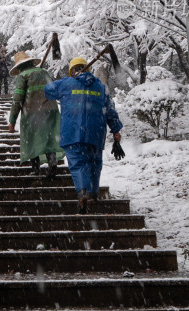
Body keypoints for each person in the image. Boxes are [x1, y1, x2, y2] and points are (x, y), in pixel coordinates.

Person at [44, 56, 124, 214]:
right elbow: (110, 110)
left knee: (78, 164)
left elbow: (48, 90)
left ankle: (83, 192)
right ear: (88, 69)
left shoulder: (65, 84)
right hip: (95, 133)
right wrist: (115, 130)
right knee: (94, 164)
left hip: (73, 133)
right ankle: (93, 194)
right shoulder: (101, 87)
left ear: (72, 71)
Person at [7, 51, 63, 177]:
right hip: (50, 109)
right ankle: (52, 165)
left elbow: (17, 99)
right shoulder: (43, 72)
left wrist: (12, 119)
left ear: (19, 66)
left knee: (31, 138)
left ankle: (35, 168)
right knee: (49, 137)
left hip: (32, 112)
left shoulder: (22, 76)